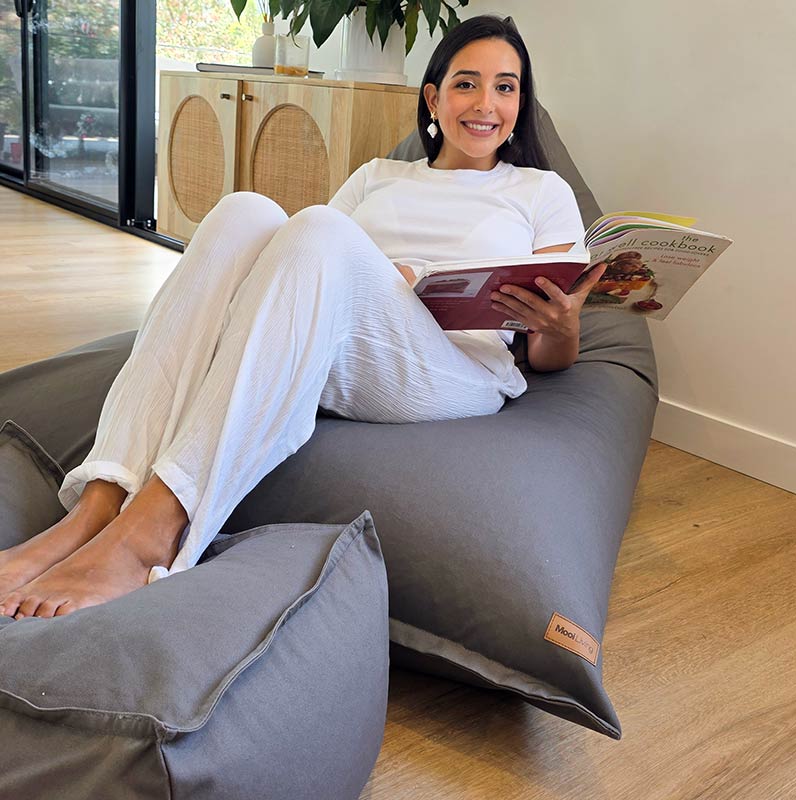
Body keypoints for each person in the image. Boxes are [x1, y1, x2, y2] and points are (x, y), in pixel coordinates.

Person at [0, 14, 606, 620]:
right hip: (345, 341)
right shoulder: (378, 176)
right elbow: (301, 252)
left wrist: (562, 328)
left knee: (320, 229)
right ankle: (99, 504)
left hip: (453, 368)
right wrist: (381, 277)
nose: (486, 103)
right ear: (433, 97)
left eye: (506, 87)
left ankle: (154, 529)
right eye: (467, 83)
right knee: (245, 211)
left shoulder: (540, 191)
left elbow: (552, 354)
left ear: (520, 102)